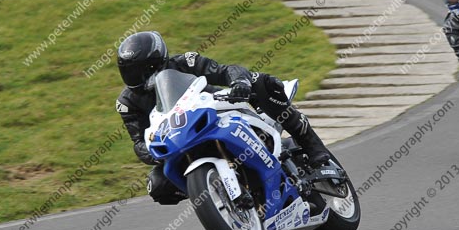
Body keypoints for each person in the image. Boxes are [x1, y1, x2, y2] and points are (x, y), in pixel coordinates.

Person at [115, 31, 330, 205]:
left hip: (216, 112)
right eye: (131, 72)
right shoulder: (127, 103)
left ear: (158, 61)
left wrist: (239, 82)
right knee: (158, 185)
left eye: (144, 70)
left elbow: (225, 71)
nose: (139, 78)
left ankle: (312, 146)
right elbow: (139, 141)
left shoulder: (185, 62)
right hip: (180, 140)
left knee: (263, 82)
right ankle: (214, 193)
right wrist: (153, 151)